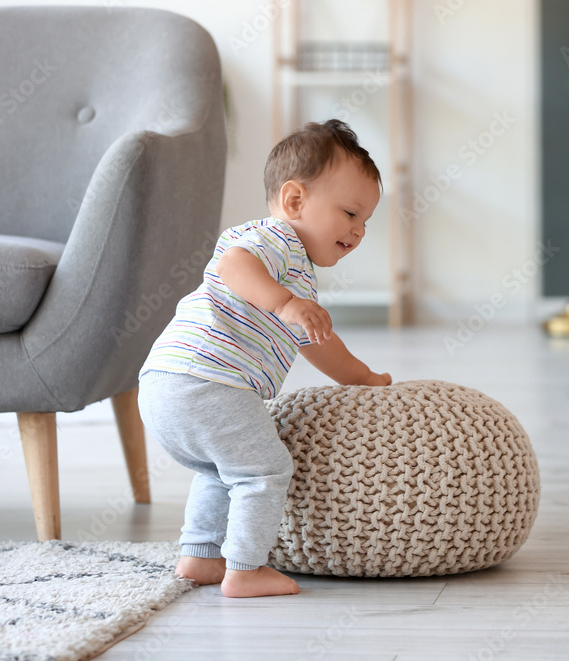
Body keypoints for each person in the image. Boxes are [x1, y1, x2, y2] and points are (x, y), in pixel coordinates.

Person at [137, 120, 391, 598]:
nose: (358, 232)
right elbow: (235, 265)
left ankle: (200, 557)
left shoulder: (294, 272)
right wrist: (285, 303)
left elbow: (318, 341)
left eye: (366, 223)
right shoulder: (276, 239)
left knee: (220, 471)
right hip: (210, 382)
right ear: (295, 201)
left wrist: (362, 377)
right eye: (351, 213)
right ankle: (246, 569)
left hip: (165, 385)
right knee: (265, 471)